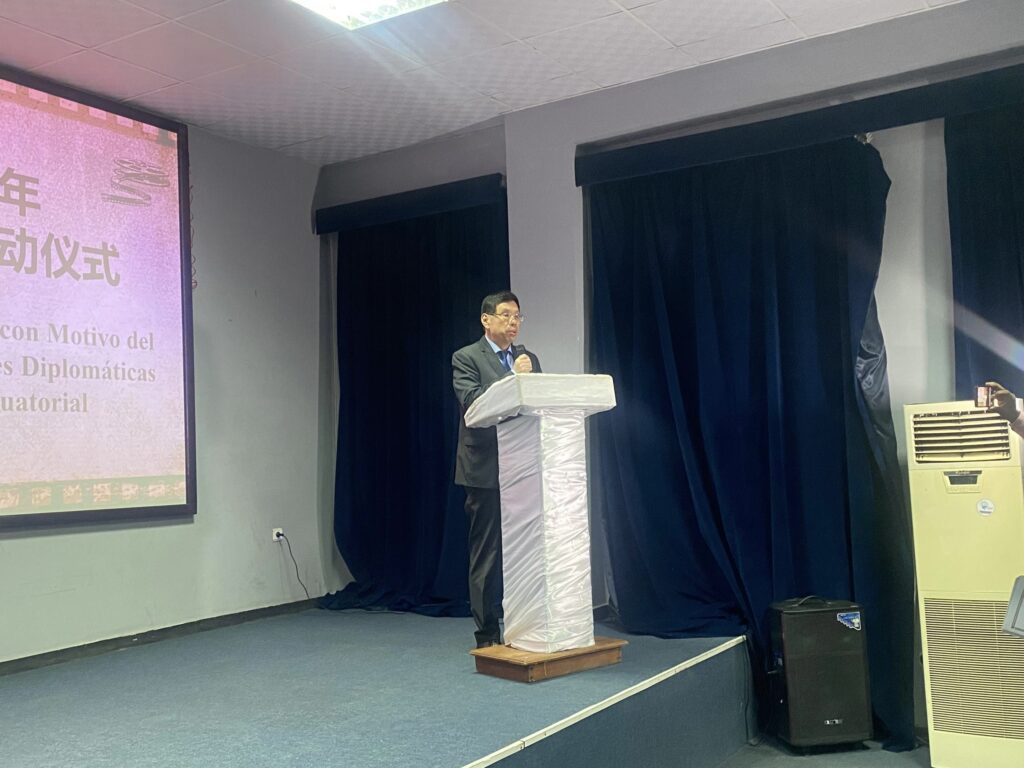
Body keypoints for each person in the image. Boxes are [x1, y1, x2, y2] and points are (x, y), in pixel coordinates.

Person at [452, 291, 541, 648]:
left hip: (524, 466)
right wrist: (511, 379)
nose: (513, 322)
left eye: (517, 316)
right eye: (505, 315)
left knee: (526, 548)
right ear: (486, 320)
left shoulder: (527, 358)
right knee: (487, 554)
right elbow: (473, 402)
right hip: (485, 468)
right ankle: (487, 634)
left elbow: (536, 404)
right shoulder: (466, 357)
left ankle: (529, 626)